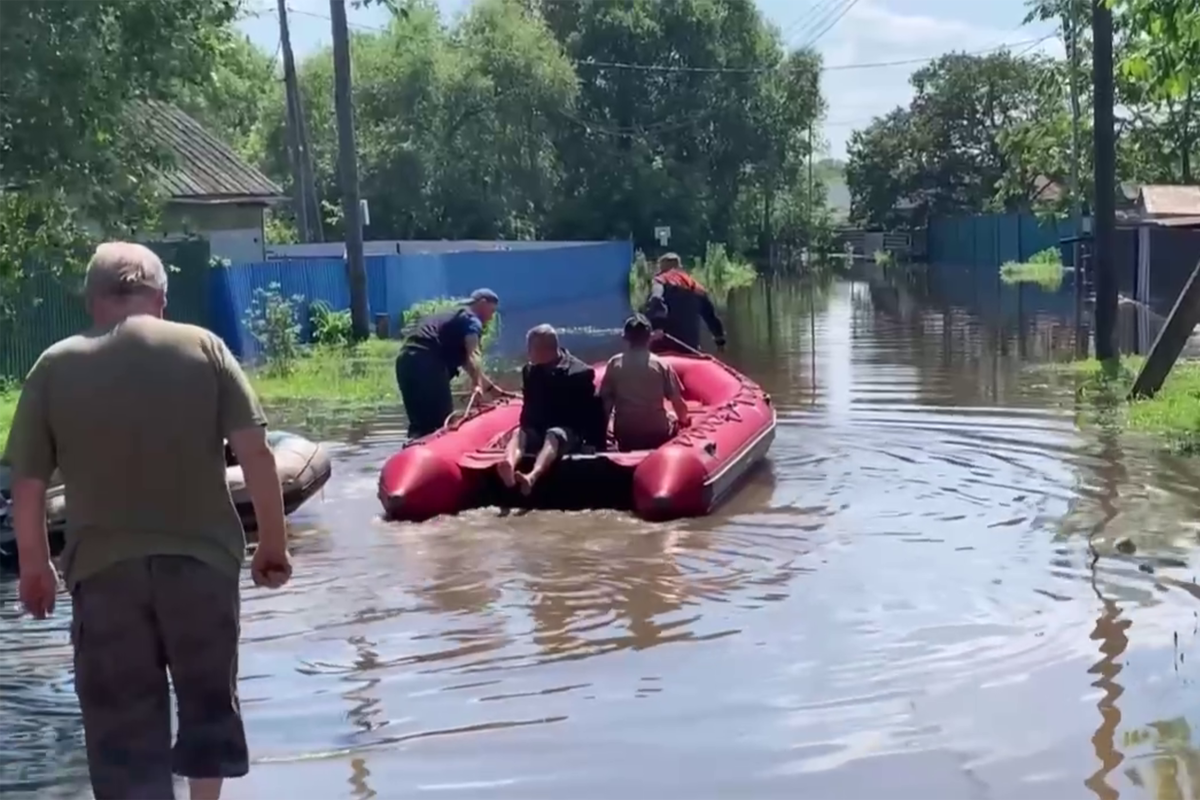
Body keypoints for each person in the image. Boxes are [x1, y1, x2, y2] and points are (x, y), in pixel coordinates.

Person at [3, 242, 292, 800]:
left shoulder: (55, 365)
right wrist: (272, 545)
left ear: (92, 301)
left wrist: (36, 567)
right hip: (202, 566)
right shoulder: (204, 347)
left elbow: (28, 482)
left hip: (103, 574)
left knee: (120, 728)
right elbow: (256, 453)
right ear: (161, 298)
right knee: (207, 704)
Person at [496, 325, 602, 494]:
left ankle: (532, 476)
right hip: (539, 426)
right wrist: (525, 427)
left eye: (531, 348)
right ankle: (509, 464)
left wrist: (593, 442)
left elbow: (593, 410)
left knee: (554, 434)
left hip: (568, 430)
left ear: (546, 350)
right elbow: (528, 405)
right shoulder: (529, 371)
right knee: (520, 433)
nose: (528, 352)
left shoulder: (579, 372)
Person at [394, 288, 507, 438]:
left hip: (405, 361)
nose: (491, 317)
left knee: (420, 425)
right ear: (482, 303)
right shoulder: (472, 319)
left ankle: (414, 452)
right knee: (442, 424)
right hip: (427, 362)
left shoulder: (452, 316)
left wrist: (492, 389)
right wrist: (477, 385)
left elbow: (467, 363)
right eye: (491, 311)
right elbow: (473, 353)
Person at [600, 314, 691, 451]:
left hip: (626, 434)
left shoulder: (614, 364)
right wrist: (684, 421)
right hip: (658, 433)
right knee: (671, 416)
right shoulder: (661, 364)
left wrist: (602, 437)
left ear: (625, 338)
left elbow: (605, 405)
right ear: (649, 337)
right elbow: (677, 403)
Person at [643, 252, 727, 352]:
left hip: (664, 344)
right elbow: (711, 317)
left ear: (662, 267)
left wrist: (656, 324)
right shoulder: (695, 286)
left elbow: (655, 299)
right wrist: (719, 341)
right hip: (690, 346)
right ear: (679, 266)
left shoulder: (660, 280)